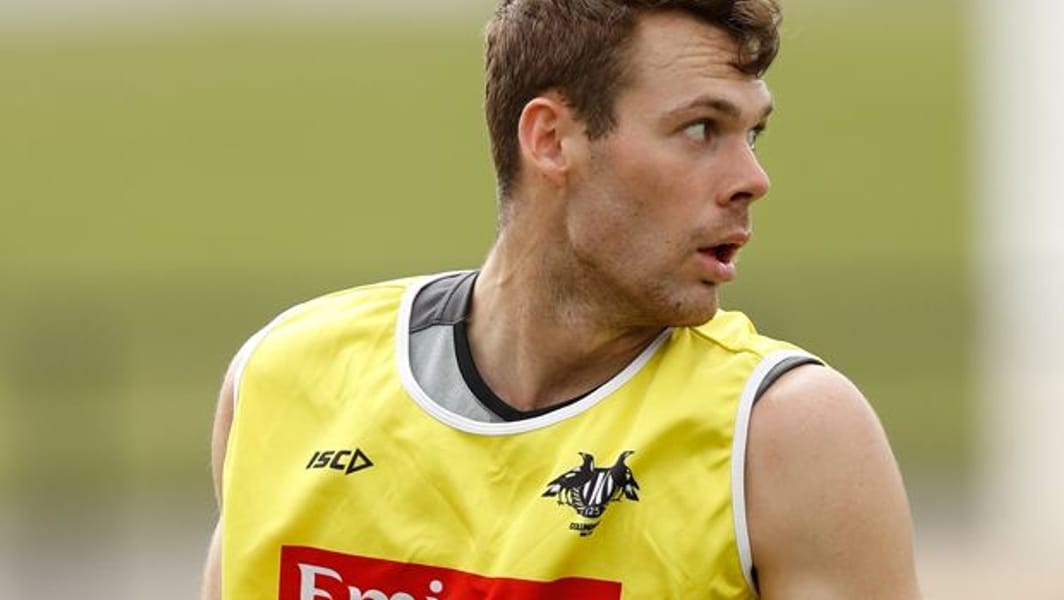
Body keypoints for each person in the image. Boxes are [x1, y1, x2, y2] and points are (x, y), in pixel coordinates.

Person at [201, 1, 921, 598]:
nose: (752, 179)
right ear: (550, 139)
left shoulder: (782, 436)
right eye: (701, 128)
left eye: (752, 133)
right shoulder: (285, 376)